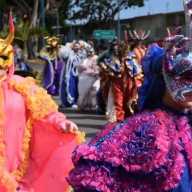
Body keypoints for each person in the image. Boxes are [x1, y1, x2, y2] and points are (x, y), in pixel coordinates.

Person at [67, 32, 192, 191]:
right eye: (184, 77)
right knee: (118, 105)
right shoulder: (148, 129)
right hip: (119, 84)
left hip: (129, 84)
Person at [0, 13, 84, 192]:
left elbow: (44, 113)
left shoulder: (21, 86)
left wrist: (61, 123)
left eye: (3, 61)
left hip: (17, 168)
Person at [98, 39, 142, 122]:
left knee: (129, 102)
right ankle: (119, 120)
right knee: (118, 102)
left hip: (129, 83)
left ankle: (128, 120)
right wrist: (106, 69)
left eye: (121, 47)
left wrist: (137, 81)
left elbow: (137, 71)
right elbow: (102, 63)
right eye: (117, 47)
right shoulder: (112, 58)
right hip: (117, 83)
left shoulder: (131, 58)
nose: (118, 48)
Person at [77, 46, 100, 111]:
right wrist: (81, 67)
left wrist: (96, 73)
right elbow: (79, 68)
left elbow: (98, 68)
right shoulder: (84, 59)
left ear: (94, 52)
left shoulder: (96, 58)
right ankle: (82, 106)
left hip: (95, 77)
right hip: (85, 77)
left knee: (93, 92)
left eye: (91, 52)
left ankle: (93, 106)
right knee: (83, 93)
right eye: (88, 52)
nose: (89, 53)